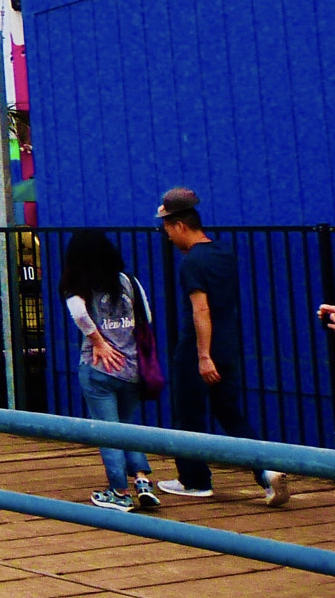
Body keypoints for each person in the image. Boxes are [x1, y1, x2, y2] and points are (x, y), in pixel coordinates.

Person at [153, 188, 287, 506]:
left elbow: (201, 309)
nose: (168, 237)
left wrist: (202, 355)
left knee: (189, 415)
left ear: (180, 225)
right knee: (231, 414)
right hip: (228, 347)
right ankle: (266, 471)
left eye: (168, 229)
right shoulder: (224, 253)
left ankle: (195, 480)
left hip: (198, 350)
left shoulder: (191, 263)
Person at [59, 230, 159, 511]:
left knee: (107, 431)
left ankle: (119, 491)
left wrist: (99, 342)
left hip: (98, 369)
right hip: (132, 368)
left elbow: (79, 313)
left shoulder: (78, 283)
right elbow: (147, 317)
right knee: (128, 427)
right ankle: (141, 481)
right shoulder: (128, 281)